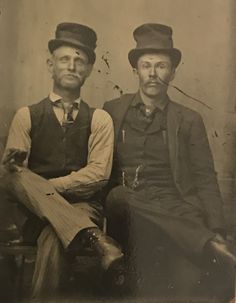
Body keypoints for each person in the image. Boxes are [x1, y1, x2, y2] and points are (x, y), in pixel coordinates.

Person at [103, 23, 236, 299]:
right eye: (146, 65)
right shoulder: (112, 111)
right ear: (135, 70)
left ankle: (204, 243)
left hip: (177, 210)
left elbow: (204, 177)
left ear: (173, 72)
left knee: (188, 286)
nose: (153, 74)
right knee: (119, 196)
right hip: (128, 213)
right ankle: (203, 242)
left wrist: (217, 229)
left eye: (161, 66)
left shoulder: (189, 119)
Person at [1, 22, 124, 299]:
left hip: (83, 208)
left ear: (90, 69)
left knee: (57, 233)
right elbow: (14, 178)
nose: (71, 66)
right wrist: (18, 174)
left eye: (79, 61)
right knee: (11, 173)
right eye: (64, 59)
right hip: (35, 215)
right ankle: (97, 239)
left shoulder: (99, 119)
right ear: (50, 64)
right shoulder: (26, 115)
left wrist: (42, 187)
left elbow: (97, 176)